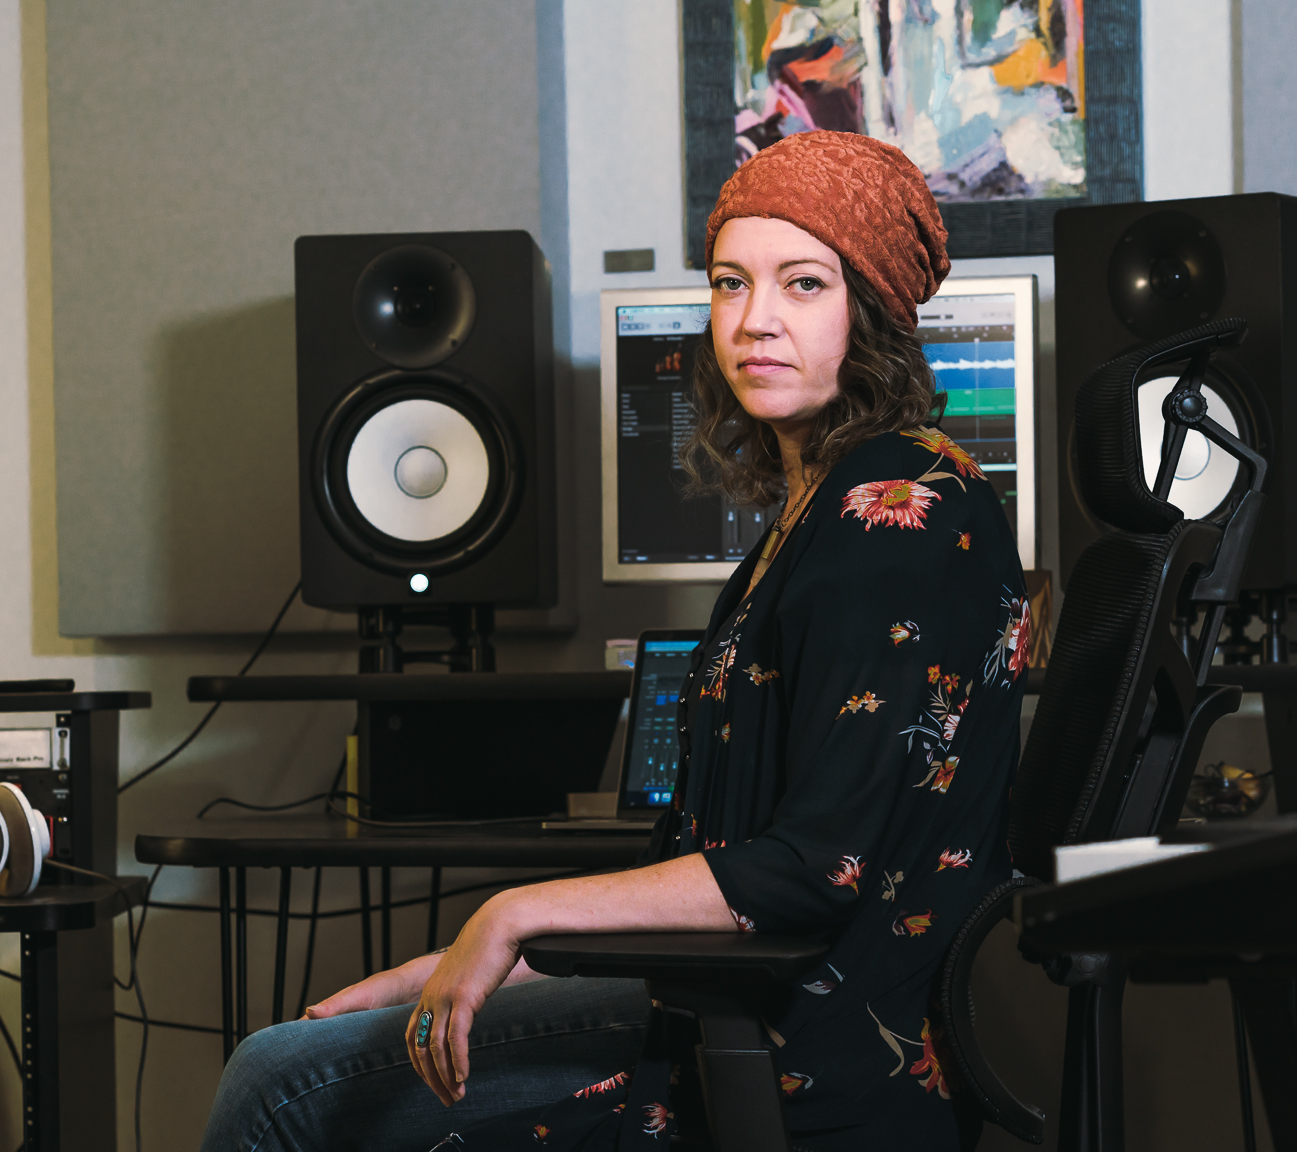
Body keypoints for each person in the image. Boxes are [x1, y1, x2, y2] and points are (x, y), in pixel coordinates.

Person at [200, 131, 1035, 1152]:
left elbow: (809, 873)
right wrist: (466, 958)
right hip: (722, 1000)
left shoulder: (890, 517)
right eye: (730, 283)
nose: (754, 321)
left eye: (803, 283)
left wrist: (510, 914)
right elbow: (723, 863)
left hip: (804, 1049)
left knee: (275, 1090)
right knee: (297, 1056)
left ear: (873, 310)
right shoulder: (821, 505)